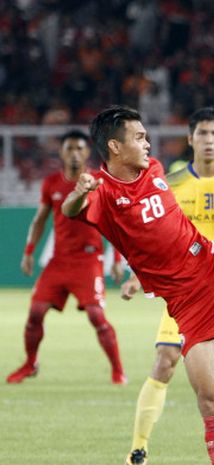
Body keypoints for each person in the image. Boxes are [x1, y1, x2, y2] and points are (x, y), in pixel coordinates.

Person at [62, 105, 214, 465]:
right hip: (190, 303)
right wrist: (79, 192)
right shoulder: (102, 195)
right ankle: (142, 448)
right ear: (115, 147)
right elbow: (70, 211)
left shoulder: (154, 169)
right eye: (138, 137)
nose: (148, 143)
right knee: (211, 398)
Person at [7, 130, 126, 385]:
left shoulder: (99, 181)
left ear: (87, 152)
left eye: (79, 149)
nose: (74, 153)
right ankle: (30, 364)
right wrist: (29, 252)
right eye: (69, 148)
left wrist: (116, 260)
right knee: (35, 312)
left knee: (96, 315)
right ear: (61, 152)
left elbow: (114, 223)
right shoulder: (51, 182)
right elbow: (39, 220)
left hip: (89, 261)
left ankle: (118, 370)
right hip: (59, 261)